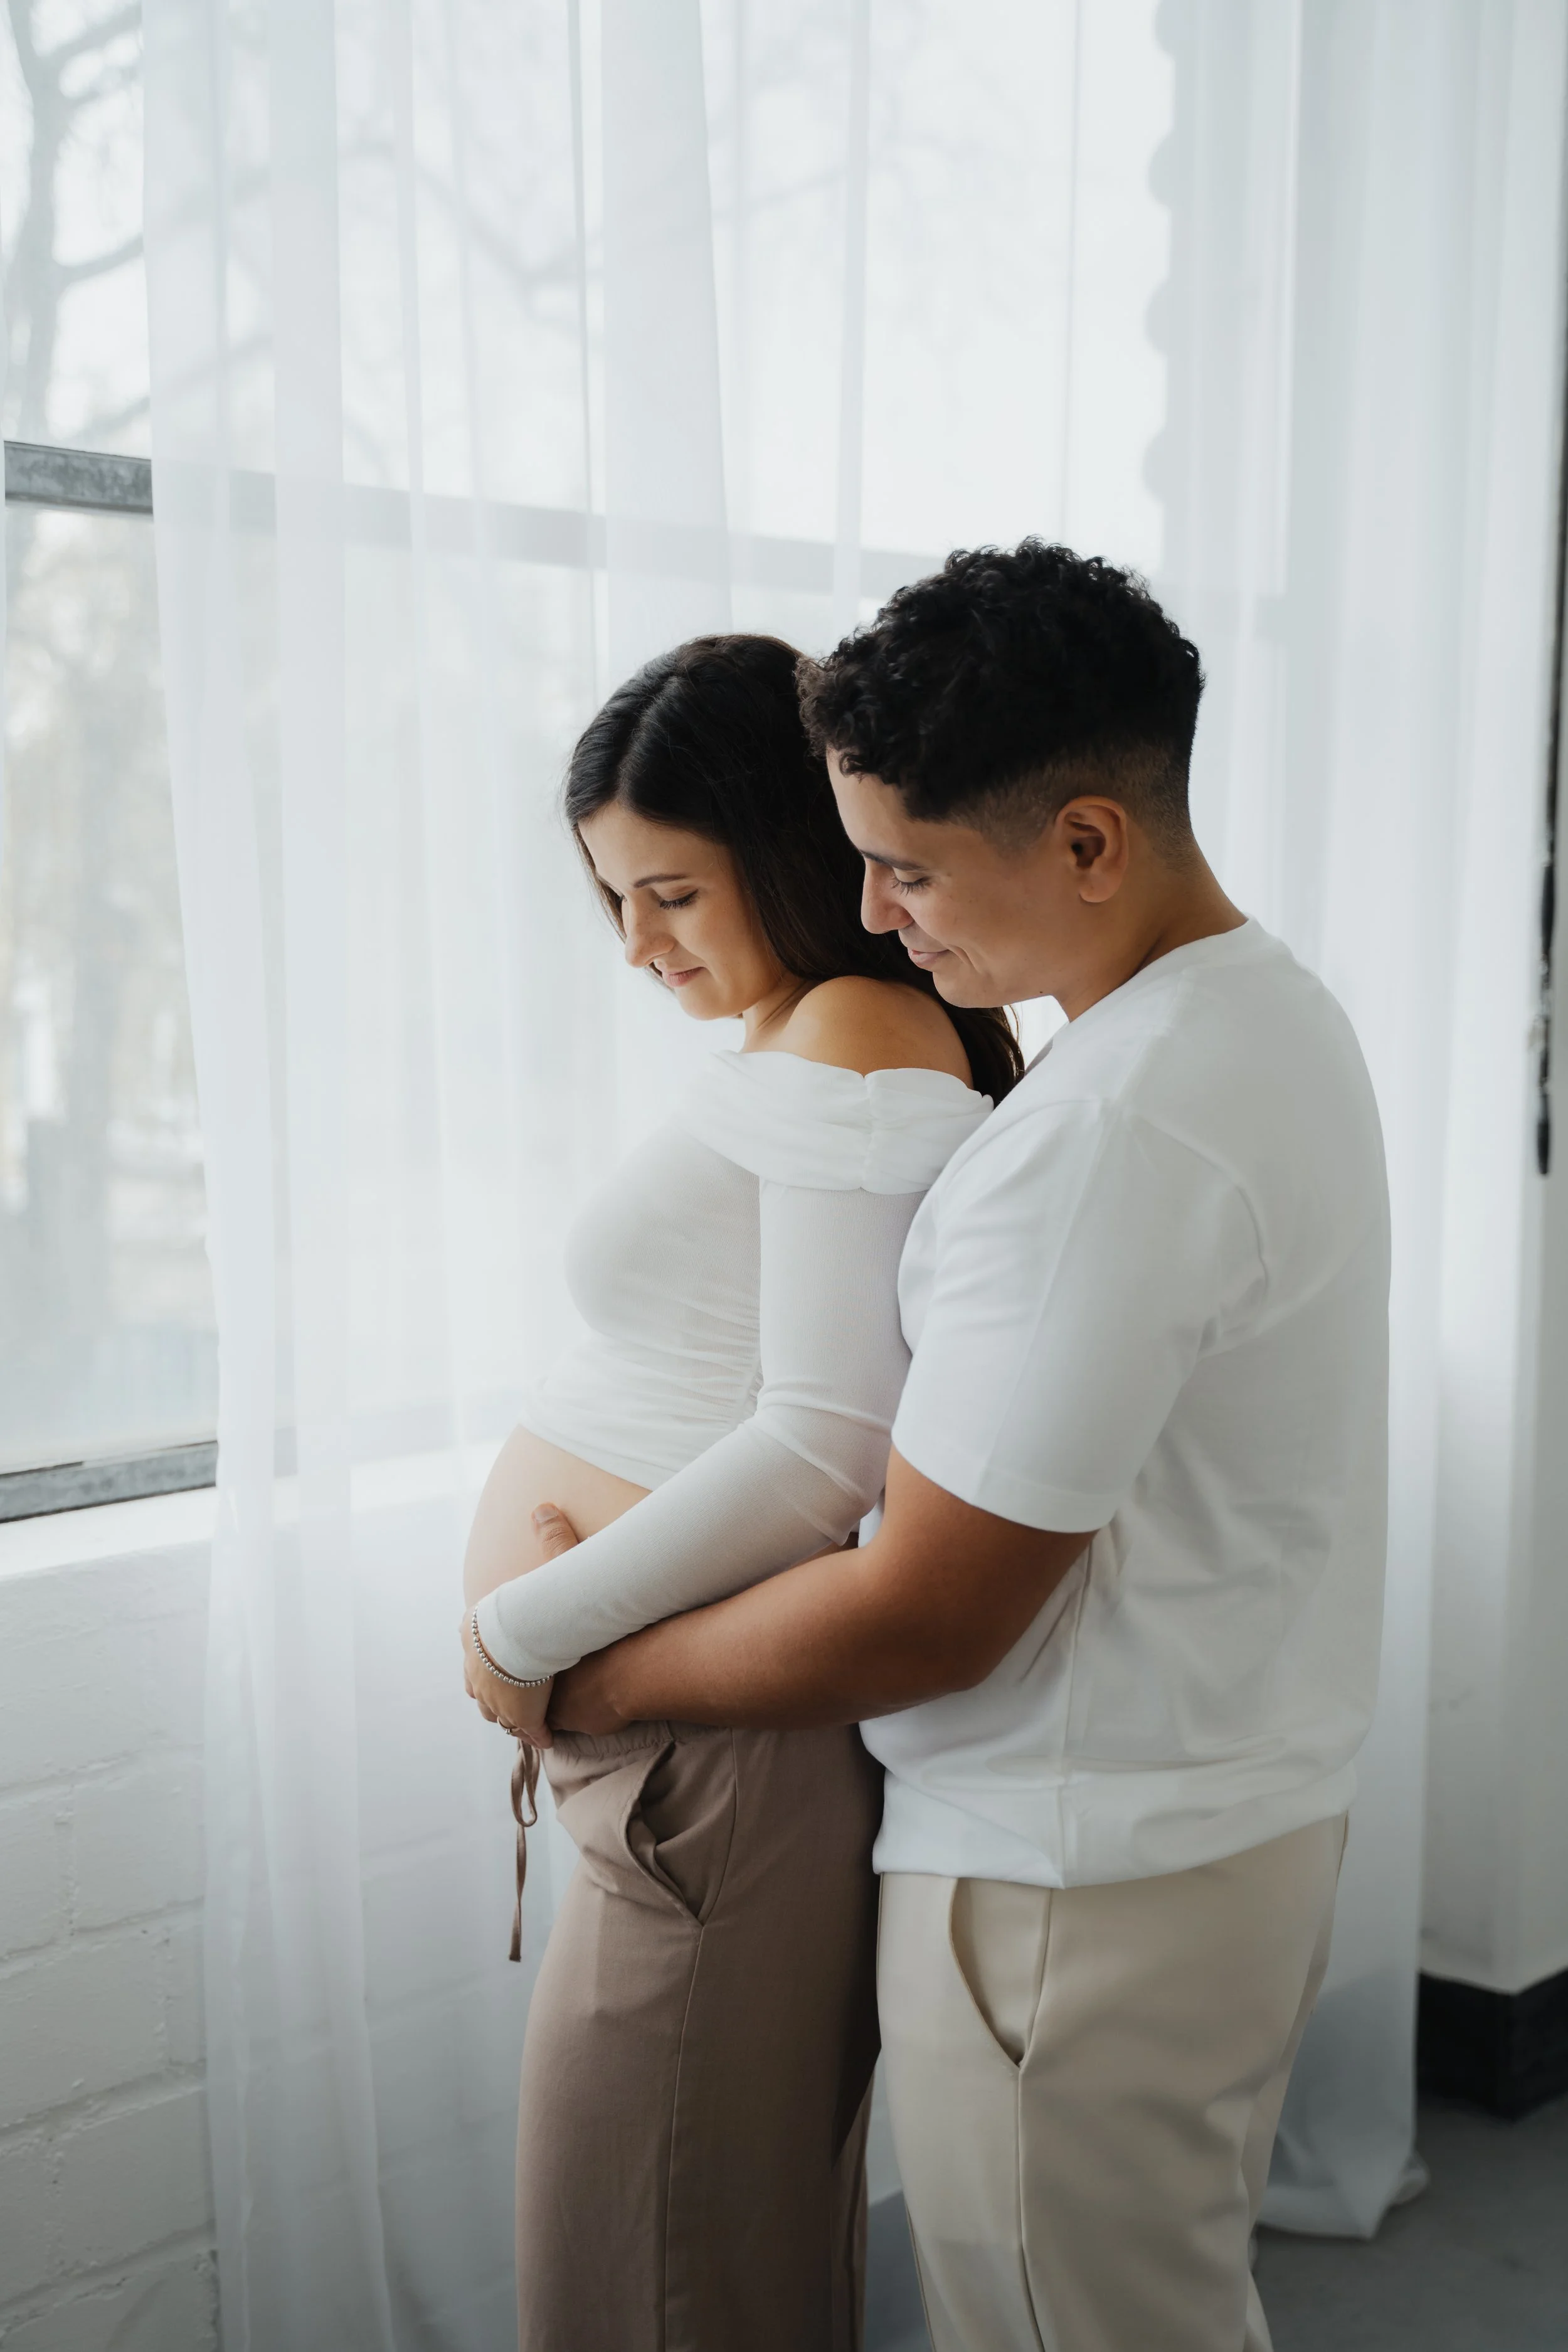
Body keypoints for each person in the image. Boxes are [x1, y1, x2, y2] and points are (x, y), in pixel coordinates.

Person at [526, 544, 1392, 2352]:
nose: (873, 908)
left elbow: (927, 1606)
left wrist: (573, 1675)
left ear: (1087, 840)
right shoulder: (1267, 1015)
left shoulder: (1106, 1139)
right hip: (1212, 1821)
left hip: (1072, 1884)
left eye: (906, 865)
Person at [460, 632, 1020, 2352]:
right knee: (680, 2259)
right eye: (611, 900)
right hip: (685, 1756)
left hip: (717, 1754)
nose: (636, 947)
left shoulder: (856, 1032)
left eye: (672, 893)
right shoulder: (808, 1037)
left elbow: (818, 1448)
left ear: (793, 851)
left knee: (653, 2281)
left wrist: (521, 1626)